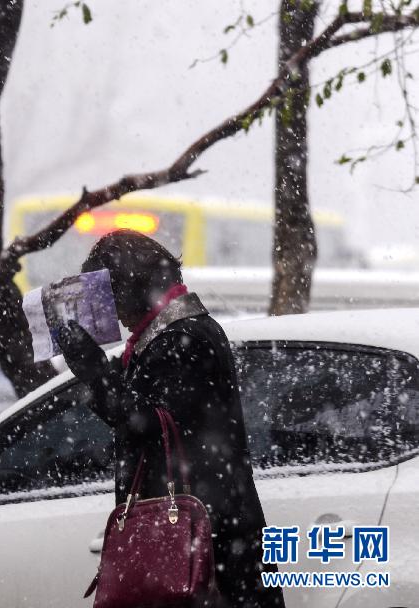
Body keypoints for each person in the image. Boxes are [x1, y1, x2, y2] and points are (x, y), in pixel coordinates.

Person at [56, 229, 285, 608]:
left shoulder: (186, 337)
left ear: (133, 289)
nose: (111, 311)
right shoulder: (166, 337)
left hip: (207, 548)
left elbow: (148, 425)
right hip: (201, 540)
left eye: (110, 297)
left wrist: (93, 370)